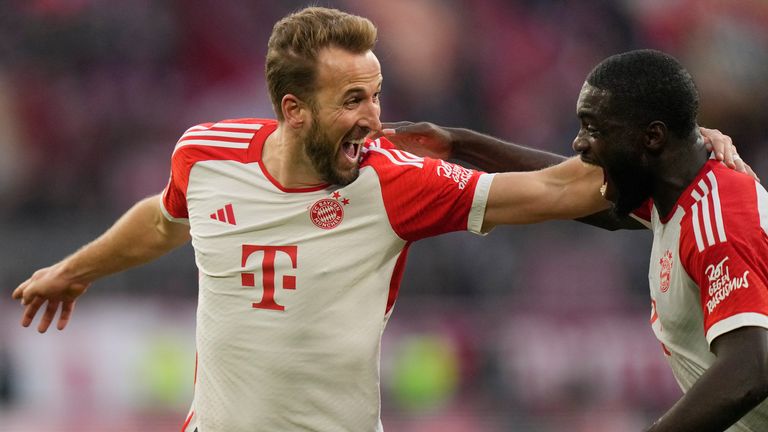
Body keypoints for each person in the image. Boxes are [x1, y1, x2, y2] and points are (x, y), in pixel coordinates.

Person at [9, 7, 741, 432]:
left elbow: (558, 190)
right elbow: (163, 221)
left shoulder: (396, 183)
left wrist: (680, 148)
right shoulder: (207, 154)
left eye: (377, 93)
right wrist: (74, 270)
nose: (374, 118)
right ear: (294, 110)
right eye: (352, 100)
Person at [386, 50, 768, 431]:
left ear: (652, 137)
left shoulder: (720, 219)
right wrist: (457, 144)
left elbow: (751, 368)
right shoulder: (670, 191)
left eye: (593, 129)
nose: (579, 143)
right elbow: (561, 185)